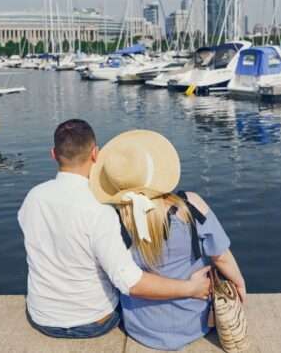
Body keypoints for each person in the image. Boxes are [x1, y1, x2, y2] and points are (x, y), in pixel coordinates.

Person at [17, 119, 211, 340]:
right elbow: (130, 282)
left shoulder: (33, 198)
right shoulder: (99, 209)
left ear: (53, 154)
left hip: (41, 316)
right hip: (92, 321)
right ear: (95, 154)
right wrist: (191, 289)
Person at [89, 129, 246, 350]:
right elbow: (221, 257)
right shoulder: (190, 206)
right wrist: (239, 284)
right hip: (194, 323)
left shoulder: (113, 218)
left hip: (141, 327)